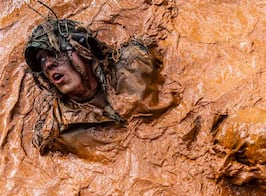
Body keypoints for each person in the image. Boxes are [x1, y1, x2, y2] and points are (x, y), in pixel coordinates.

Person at [24, 19, 177, 156]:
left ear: (84, 49)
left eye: (54, 52)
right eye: (41, 60)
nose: (48, 64)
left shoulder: (136, 61)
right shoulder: (58, 131)